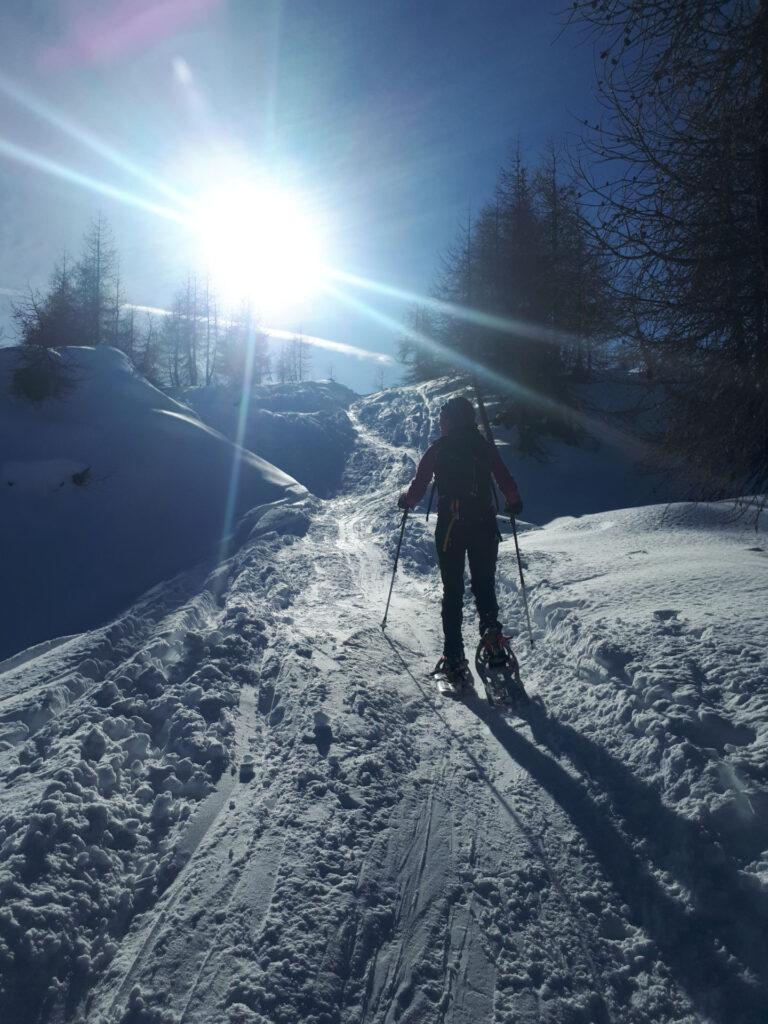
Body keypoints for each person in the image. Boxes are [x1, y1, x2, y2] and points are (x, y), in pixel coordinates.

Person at [398, 396, 523, 685]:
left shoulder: (438, 449)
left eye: (444, 418)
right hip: (484, 524)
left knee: (452, 591)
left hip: (450, 529)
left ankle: (454, 659)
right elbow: (505, 479)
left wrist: (405, 501)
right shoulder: (483, 447)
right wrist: (513, 501)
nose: (441, 423)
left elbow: (418, 488)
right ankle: (493, 642)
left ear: (451, 420)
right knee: (483, 584)